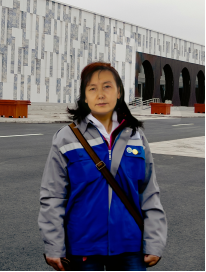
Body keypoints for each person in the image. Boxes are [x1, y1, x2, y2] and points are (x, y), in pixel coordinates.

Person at [39, 62, 167, 271]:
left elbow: (149, 192)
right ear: (84, 97)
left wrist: (154, 241)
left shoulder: (135, 136)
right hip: (83, 246)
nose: (100, 94)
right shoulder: (66, 137)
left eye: (107, 86)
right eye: (92, 88)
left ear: (119, 92)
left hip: (130, 246)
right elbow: (53, 196)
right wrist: (54, 245)